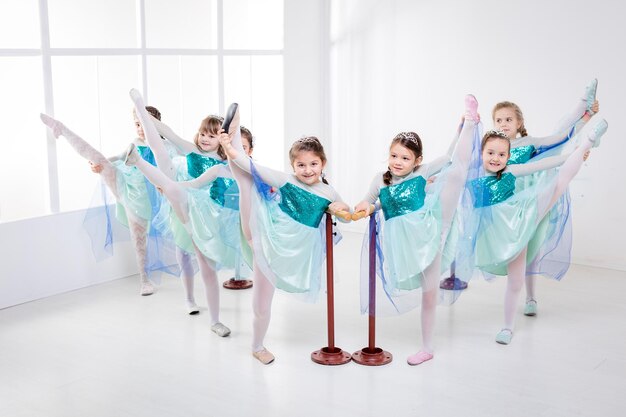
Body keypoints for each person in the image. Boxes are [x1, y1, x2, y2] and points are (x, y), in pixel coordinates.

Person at [441, 80, 600, 303]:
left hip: (527, 201)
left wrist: (586, 117)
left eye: (508, 119)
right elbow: (463, 154)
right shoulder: (493, 147)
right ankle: (459, 273)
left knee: (530, 249)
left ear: (519, 122)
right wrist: (464, 126)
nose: (503, 124)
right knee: (492, 242)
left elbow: (560, 137)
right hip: (500, 204)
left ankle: (531, 298)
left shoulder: (529, 142)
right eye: (498, 120)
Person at [351, 95, 480, 365]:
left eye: (405, 158)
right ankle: (427, 346)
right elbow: (368, 200)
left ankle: (427, 346)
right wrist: (360, 209)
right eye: (394, 155)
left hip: (430, 230)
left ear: (416, 160)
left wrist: (460, 129)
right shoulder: (380, 179)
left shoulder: (421, 173)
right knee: (424, 288)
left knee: (456, 172)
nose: (397, 161)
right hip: (405, 243)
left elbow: (448, 156)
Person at [218, 103, 351, 364]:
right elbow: (250, 166)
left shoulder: (328, 191)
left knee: (247, 180)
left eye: (313, 164)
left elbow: (345, 209)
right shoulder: (287, 180)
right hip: (265, 240)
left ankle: (231, 138)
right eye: (301, 165)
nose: (308, 169)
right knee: (247, 182)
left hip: (291, 254)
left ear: (323, 164)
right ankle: (257, 346)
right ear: (293, 166)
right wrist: (231, 149)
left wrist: (342, 209)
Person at [463, 119, 607, 345]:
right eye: (490, 152)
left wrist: (575, 155)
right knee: (514, 279)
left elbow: (543, 165)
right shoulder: (471, 175)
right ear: (481, 153)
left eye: (501, 155)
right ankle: (584, 146)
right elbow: (450, 171)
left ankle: (507, 327)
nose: (495, 158)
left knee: (559, 183)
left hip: (521, 220)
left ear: (508, 157)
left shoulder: (512, 170)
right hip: (499, 234)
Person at [127, 89, 242, 336]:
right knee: (160, 152)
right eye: (202, 133)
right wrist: (143, 114)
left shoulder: (225, 163)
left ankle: (215, 320)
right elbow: (165, 133)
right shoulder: (191, 149)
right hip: (183, 204)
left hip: (207, 218)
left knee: (208, 270)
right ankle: (189, 298)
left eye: (211, 136)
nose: (204, 139)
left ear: (221, 140)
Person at [40, 107, 179, 296]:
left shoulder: (167, 147)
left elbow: (174, 167)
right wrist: (98, 165)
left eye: (144, 124)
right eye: (137, 124)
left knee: (157, 238)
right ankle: (61, 128)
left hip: (155, 195)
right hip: (130, 190)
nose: (140, 129)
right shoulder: (135, 143)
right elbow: (117, 158)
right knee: (138, 240)